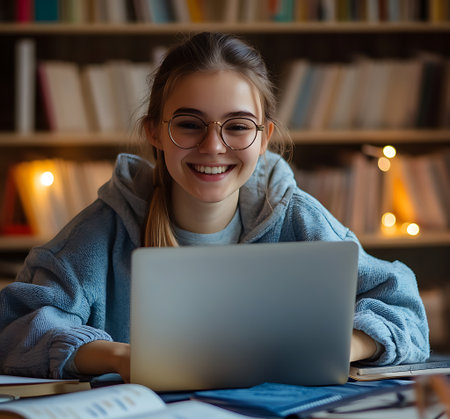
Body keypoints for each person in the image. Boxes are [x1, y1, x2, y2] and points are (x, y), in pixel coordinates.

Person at [0, 32, 429, 383]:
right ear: (154, 131)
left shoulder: (297, 217)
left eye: (238, 126)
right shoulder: (101, 232)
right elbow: (15, 327)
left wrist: (342, 345)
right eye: (189, 124)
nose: (213, 147)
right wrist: (121, 357)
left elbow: (403, 307)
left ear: (264, 137)